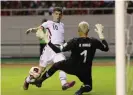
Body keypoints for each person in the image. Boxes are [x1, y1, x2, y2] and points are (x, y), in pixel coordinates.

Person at [33, 21, 109, 95]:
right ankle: (81, 89)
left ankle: (40, 80)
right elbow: (106, 48)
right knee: (88, 86)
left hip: (71, 66)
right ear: (88, 30)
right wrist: (101, 35)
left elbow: (57, 50)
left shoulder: (74, 41)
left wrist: (45, 38)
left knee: (56, 65)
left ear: (78, 30)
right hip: (85, 70)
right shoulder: (94, 41)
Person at [23, 7, 75, 90]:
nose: (58, 16)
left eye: (59, 14)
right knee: (39, 72)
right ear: (53, 14)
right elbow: (39, 29)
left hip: (58, 50)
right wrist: (32, 30)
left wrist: (65, 45)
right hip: (49, 49)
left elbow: (60, 37)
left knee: (63, 65)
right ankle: (27, 80)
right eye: (56, 14)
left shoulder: (62, 25)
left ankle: (64, 84)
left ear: (62, 15)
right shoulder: (48, 23)